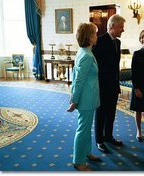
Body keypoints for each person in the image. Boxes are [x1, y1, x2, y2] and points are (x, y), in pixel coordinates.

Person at [67, 22, 101, 171]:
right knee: (83, 129)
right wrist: (74, 100)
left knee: (86, 128)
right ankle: (79, 161)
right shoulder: (86, 55)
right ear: (89, 37)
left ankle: (87, 152)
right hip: (85, 99)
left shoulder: (85, 51)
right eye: (95, 33)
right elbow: (79, 80)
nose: (97, 36)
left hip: (89, 97)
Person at [92, 14, 126, 153]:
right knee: (101, 114)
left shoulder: (117, 42)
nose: (123, 30)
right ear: (112, 27)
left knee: (111, 113)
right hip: (101, 86)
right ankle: (99, 140)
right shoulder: (99, 41)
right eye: (121, 27)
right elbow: (95, 66)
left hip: (113, 86)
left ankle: (108, 136)